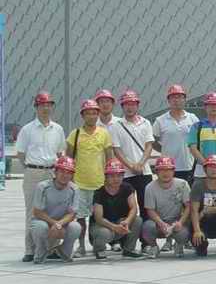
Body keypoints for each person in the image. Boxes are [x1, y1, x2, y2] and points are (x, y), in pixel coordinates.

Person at [16, 91, 66, 262]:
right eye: (42, 105)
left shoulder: (58, 129)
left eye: (49, 105)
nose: (46, 108)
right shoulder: (27, 129)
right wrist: (31, 168)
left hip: (52, 172)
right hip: (34, 172)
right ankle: (30, 249)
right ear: (36, 107)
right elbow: (21, 153)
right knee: (32, 211)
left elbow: (60, 152)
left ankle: (52, 248)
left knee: (54, 211)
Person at [63, 99, 113, 259]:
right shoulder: (75, 134)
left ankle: (99, 246)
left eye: (94, 113)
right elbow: (68, 159)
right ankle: (81, 246)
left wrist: (109, 180)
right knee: (80, 218)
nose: (91, 116)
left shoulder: (104, 133)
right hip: (79, 184)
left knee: (98, 218)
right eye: (88, 113)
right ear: (82, 115)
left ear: (98, 115)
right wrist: (70, 181)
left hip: (99, 184)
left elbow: (110, 159)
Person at [109, 90, 154, 222]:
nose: (130, 107)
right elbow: (117, 149)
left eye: (133, 104)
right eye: (126, 104)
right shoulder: (116, 125)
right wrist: (130, 166)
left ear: (137, 105)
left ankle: (146, 235)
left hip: (144, 171)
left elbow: (149, 146)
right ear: (122, 107)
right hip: (125, 173)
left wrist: (140, 164)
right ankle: (125, 234)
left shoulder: (145, 123)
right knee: (125, 207)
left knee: (146, 206)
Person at [28, 156, 80, 264]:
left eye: (69, 173)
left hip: (62, 223)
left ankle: (64, 251)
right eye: (62, 171)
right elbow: (37, 212)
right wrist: (54, 223)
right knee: (39, 227)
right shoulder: (42, 186)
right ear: (55, 172)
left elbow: (72, 214)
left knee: (76, 227)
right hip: (43, 221)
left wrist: (59, 224)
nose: (65, 175)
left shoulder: (74, 189)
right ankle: (42, 251)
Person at [91, 159, 143, 259]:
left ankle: (129, 249)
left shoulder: (127, 188)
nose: (116, 179)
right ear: (106, 177)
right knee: (105, 233)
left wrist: (127, 221)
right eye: (112, 176)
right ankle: (99, 249)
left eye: (119, 175)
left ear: (123, 176)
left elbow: (134, 208)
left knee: (137, 220)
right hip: (102, 226)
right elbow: (99, 218)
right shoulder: (99, 193)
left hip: (120, 223)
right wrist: (115, 227)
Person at [142, 157, 191, 258]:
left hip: (176, 220)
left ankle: (179, 244)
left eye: (169, 170)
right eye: (162, 170)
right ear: (156, 172)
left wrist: (181, 222)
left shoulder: (183, 184)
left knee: (185, 231)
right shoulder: (149, 187)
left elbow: (188, 206)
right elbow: (150, 210)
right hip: (158, 221)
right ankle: (154, 246)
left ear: (173, 171)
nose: (165, 173)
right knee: (147, 227)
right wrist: (161, 223)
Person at [189, 155, 216, 259]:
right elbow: (194, 210)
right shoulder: (197, 185)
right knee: (192, 223)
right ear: (205, 169)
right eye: (210, 167)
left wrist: (206, 211)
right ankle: (201, 246)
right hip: (202, 221)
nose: (214, 170)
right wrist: (197, 230)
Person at [153, 84, 199, 183]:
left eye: (179, 97)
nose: (176, 100)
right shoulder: (160, 120)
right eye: (173, 97)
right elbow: (153, 141)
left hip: (189, 166)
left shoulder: (193, 118)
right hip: (168, 167)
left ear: (184, 99)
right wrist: (165, 149)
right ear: (168, 101)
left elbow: (199, 139)